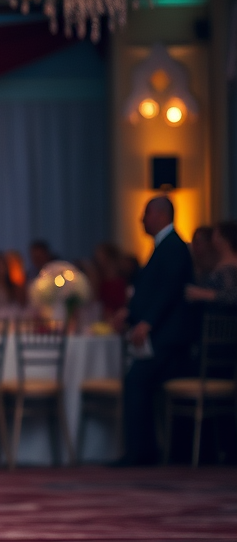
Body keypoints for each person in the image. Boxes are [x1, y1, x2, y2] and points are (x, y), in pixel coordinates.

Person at [112, 196, 195, 466]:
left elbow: (168, 291)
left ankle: (141, 453)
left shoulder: (173, 247)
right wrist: (131, 313)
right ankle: (143, 450)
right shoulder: (163, 246)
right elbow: (151, 290)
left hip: (168, 340)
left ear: (160, 214)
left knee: (136, 381)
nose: (141, 219)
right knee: (137, 381)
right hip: (161, 335)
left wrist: (147, 322)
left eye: (145, 213)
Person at [185, 221, 237, 307]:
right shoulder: (212, 263)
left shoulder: (230, 268)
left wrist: (205, 294)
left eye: (216, 235)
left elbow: (232, 295)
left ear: (223, 239)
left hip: (225, 317)